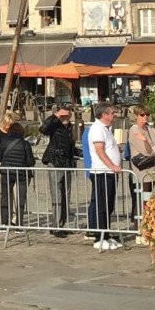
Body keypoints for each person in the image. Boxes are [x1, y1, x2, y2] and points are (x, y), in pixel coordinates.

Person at [83, 103, 122, 249]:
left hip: (109, 173)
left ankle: (106, 234)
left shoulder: (106, 129)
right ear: (104, 114)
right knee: (102, 205)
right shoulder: (97, 129)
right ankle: (99, 237)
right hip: (101, 172)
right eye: (112, 113)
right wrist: (112, 166)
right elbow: (100, 151)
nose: (114, 115)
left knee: (109, 204)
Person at [42, 104, 81, 237]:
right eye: (64, 115)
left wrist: (83, 153)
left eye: (68, 115)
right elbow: (43, 129)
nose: (66, 117)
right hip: (55, 161)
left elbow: (71, 146)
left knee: (66, 194)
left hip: (67, 163)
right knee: (57, 193)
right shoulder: (55, 125)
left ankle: (62, 223)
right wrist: (56, 116)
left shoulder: (70, 127)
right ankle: (56, 225)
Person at [0, 114, 34, 228]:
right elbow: (31, 161)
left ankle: (4, 222)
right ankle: (19, 223)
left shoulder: (4, 141)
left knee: (5, 197)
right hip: (21, 173)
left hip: (6, 171)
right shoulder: (25, 143)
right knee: (20, 198)